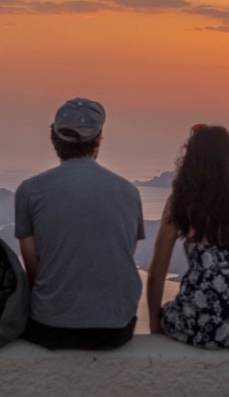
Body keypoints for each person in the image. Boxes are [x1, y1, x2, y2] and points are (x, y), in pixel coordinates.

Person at [14, 98, 145, 350]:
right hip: (115, 330)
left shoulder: (30, 191)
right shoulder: (128, 191)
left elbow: (34, 271)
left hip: (50, 329)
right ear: (98, 139)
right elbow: (122, 254)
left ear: (54, 137)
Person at [147, 124, 229, 349]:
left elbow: (157, 272)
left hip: (202, 323)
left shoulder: (182, 202)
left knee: (170, 312)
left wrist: (155, 327)